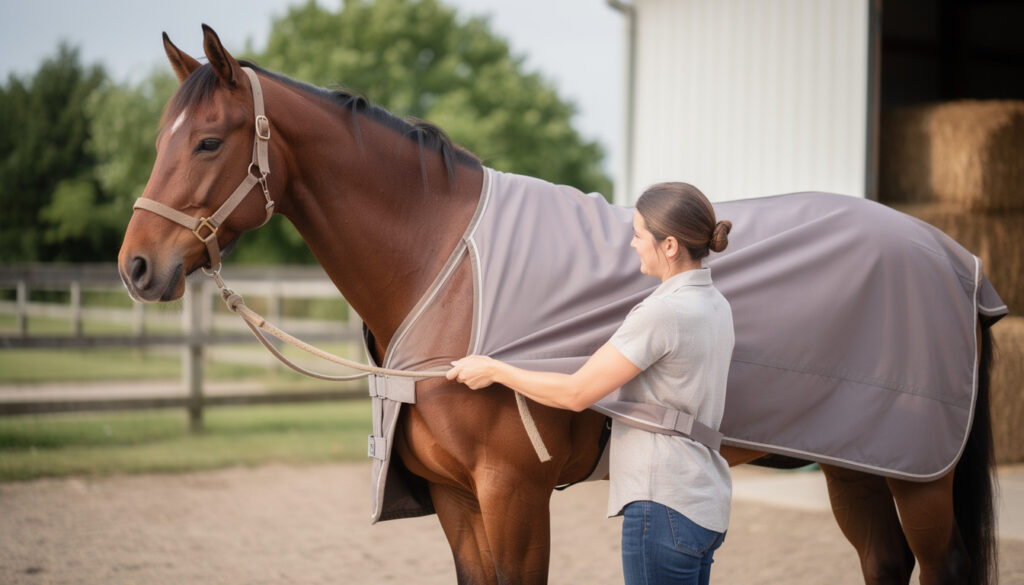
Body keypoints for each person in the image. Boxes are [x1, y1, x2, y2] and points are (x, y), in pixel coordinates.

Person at [447, 181, 735, 585]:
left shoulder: (662, 313)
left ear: (669, 246)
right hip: (703, 503)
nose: (633, 244)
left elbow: (576, 393)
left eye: (638, 235)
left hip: (663, 502)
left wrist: (494, 370)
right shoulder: (716, 304)